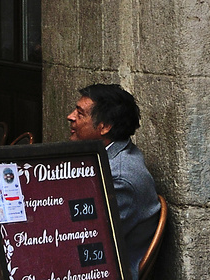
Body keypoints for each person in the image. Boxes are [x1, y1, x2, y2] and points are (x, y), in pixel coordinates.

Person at [68, 84, 160, 277]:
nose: (70, 117)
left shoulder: (119, 176)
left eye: (80, 114)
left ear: (105, 126)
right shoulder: (107, 154)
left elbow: (87, 234)